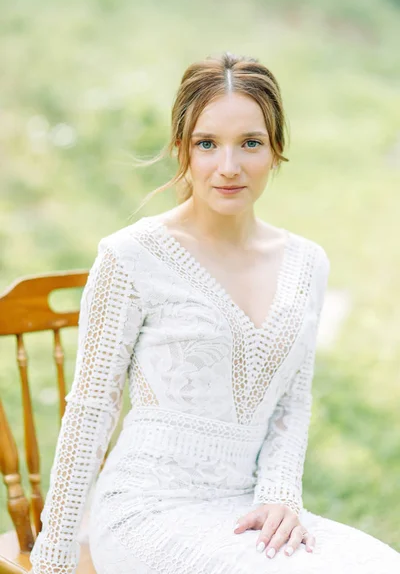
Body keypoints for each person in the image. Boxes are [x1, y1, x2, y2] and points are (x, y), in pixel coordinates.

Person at [29, 52, 400, 574]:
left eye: (251, 143)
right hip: (145, 511)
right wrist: (54, 560)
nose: (229, 166)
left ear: (276, 151)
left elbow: (292, 403)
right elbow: (90, 411)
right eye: (208, 144)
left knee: (380, 564)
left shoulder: (306, 264)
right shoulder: (131, 256)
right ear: (182, 150)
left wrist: (281, 495)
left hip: (249, 514)